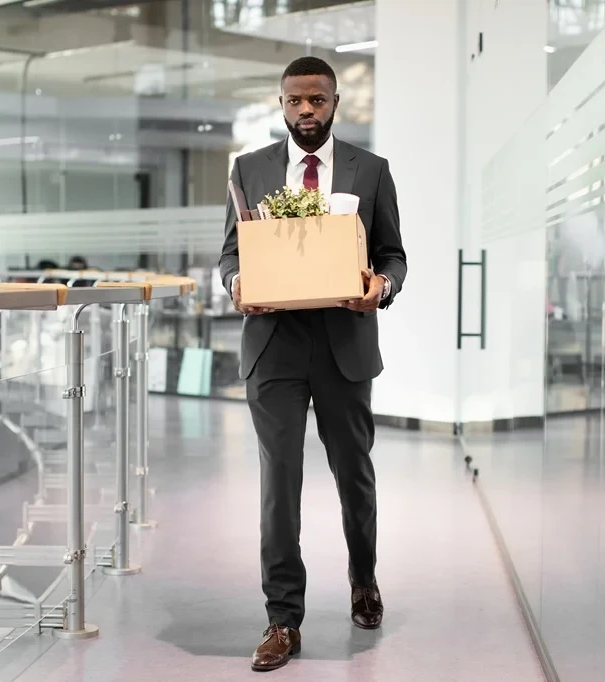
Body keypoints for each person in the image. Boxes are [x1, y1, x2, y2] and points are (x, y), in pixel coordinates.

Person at [218, 56, 407, 673]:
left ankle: (363, 580)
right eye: (296, 101)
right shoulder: (249, 170)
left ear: (334, 103)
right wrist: (239, 282)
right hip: (273, 343)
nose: (306, 110)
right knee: (281, 484)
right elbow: (229, 255)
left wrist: (381, 285)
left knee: (354, 473)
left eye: (317, 101)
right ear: (281, 103)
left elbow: (393, 255)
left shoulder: (370, 170)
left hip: (343, 344)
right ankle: (282, 619)